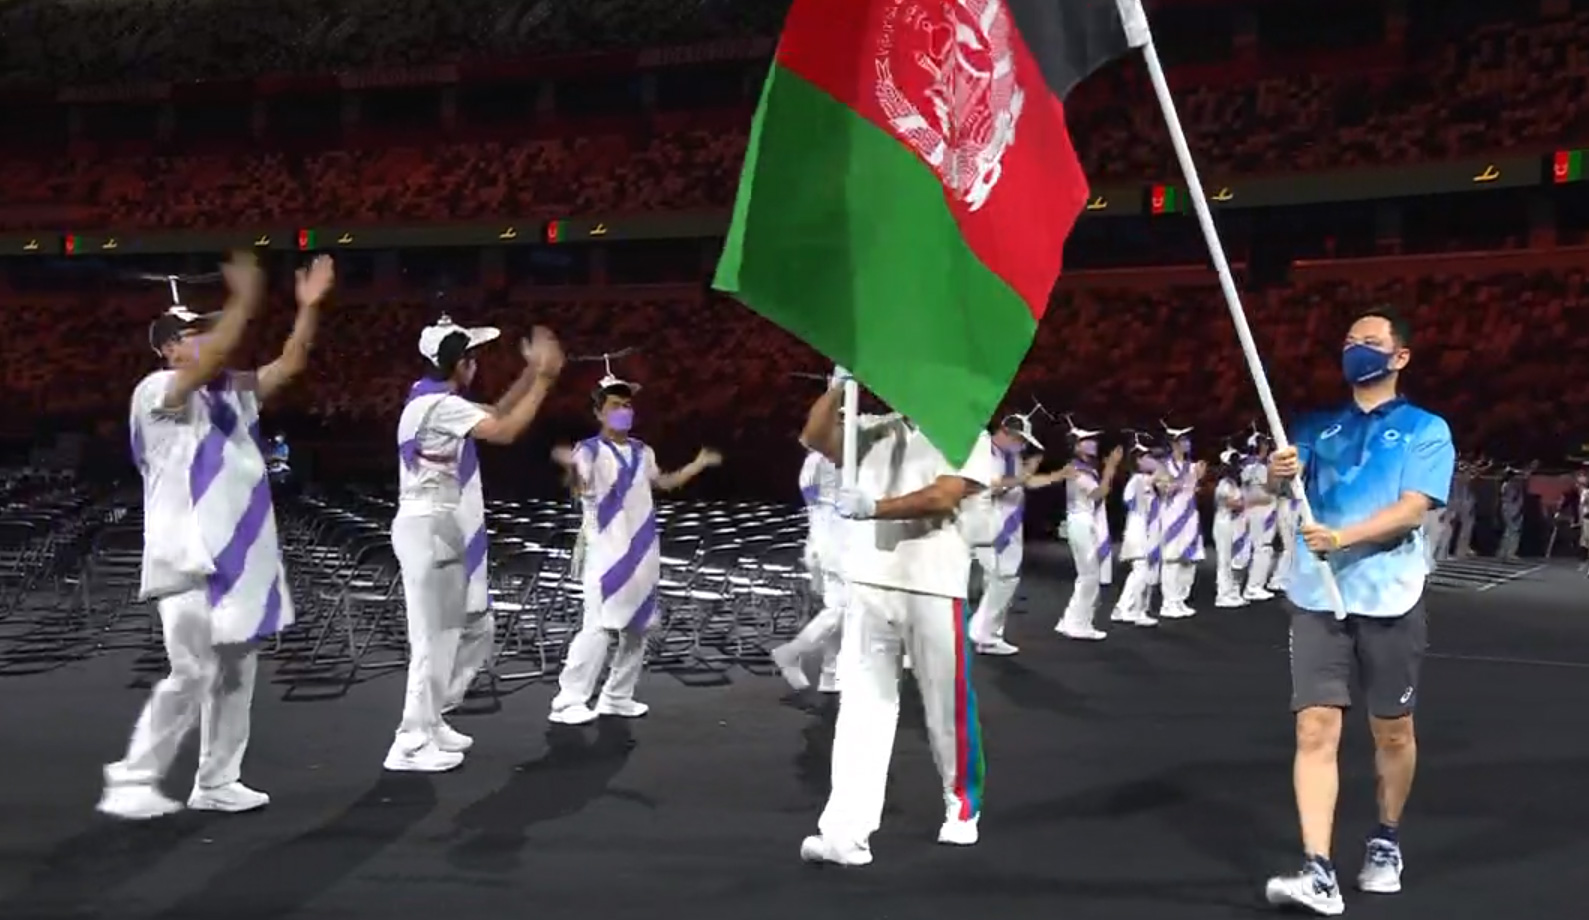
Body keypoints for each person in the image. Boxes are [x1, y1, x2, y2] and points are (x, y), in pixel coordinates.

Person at [100, 252, 333, 820]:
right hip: (187, 557)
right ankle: (133, 777)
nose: (207, 339)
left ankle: (217, 781)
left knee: (234, 676)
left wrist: (307, 308)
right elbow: (208, 365)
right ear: (167, 348)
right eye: (194, 333)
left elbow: (290, 363)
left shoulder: (231, 394)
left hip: (238, 559)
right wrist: (244, 302)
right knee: (192, 672)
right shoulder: (156, 390)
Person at [1262, 307, 1455, 916]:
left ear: (1400, 356)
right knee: (1314, 727)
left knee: (1391, 730)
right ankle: (1318, 869)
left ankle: (1386, 837)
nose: (1356, 350)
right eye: (1349, 340)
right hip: (1318, 595)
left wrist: (1343, 538)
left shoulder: (1426, 430)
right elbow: (1284, 486)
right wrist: (1276, 473)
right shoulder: (1316, 426)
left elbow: (1413, 508)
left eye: (1370, 341)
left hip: (1390, 595)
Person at [795, 382, 999, 867]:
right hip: (870, 581)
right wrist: (837, 386)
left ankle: (961, 806)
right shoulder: (872, 429)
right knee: (861, 709)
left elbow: (944, 496)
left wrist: (875, 508)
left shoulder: (966, 432)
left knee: (947, 706)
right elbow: (815, 436)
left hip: (935, 583)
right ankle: (846, 834)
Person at [386, 318, 564, 772]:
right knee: (432, 639)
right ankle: (410, 742)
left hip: (435, 522)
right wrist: (544, 380)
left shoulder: (430, 398)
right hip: (427, 524)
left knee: (453, 632)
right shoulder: (440, 405)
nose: (476, 366)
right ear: (460, 363)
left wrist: (530, 373)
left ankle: (430, 721)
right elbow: (505, 430)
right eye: (472, 358)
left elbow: (496, 412)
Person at [548, 376, 722, 725]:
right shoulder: (589, 450)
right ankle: (568, 701)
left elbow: (664, 482)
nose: (624, 411)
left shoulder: (644, 451)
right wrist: (570, 467)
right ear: (599, 412)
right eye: (615, 405)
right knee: (597, 627)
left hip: (642, 551)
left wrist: (698, 464)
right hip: (606, 552)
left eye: (627, 405)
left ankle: (617, 696)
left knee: (637, 628)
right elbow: (579, 487)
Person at [965, 412, 1066, 655]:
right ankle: (980, 633)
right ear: (1008, 433)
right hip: (988, 522)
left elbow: (1025, 483)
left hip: (1010, 523)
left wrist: (1055, 476)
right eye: (1020, 440)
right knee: (997, 577)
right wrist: (1023, 475)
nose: (1022, 446)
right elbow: (993, 485)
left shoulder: (1011, 456)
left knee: (1006, 578)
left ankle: (988, 634)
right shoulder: (982, 451)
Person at [772, 440, 844, 692]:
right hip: (829, 545)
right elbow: (816, 504)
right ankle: (791, 652)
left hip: (833, 543)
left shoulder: (834, 461)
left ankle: (830, 676)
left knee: (837, 610)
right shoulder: (817, 462)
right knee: (842, 609)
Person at [1055, 423, 1122, 641]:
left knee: (1087, 575)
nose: (1093, 444)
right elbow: (1098, 494)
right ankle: (1078, 624)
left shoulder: (1085, 468)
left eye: (1093, 440)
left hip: (1084, 520)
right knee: (1089, 575)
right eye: (1087, 440)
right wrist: (1110, 468)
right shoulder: (1076, 469)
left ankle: (1070, 620)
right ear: (1076, 446)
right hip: (1081, 521)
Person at [1108, 435, 1161, 627]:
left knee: (1142, 572)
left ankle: (1128, 608)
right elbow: (1130, 501)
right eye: (1148, 457)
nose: (1154, 461)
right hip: (1138, 531)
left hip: (1149, 531)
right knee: (1141, 571)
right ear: (1138, 460)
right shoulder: (1137, 480)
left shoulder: (1148, 482)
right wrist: (1153, 478)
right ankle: (1131, 609)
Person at [1155, 424, 1205, 620]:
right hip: (1171, 516)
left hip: (1190, 515)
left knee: (1189, 559)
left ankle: (1180, 599)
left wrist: (1197, 478)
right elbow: (1164, 490)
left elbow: (1195, 490)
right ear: (1174, 443)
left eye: (1188, 439)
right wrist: (1185, 479)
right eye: (1184, 439)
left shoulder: (1193, 466)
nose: (1188, 443)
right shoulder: (1163, 466)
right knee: (1172, 559)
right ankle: (1168, 603)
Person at [1212, 447, 1250, 608]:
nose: (1239, 466)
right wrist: (1248, 501)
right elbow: (1232, 503)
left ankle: (1234, 592)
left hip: (1237, 524)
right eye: (1236, 462)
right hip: (1224, 523)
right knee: (1225, 561)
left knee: (1239, 559)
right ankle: (1223, 595)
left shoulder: (1237, 484)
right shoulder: (1224, 484)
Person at [1242, 434, 1279, 601]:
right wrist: (1274, 470)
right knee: (1262, 548)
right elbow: (1272, 488)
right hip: (1261, 511)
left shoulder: (1247, 465)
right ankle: (1253, 587)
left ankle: (1256, 585)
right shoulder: (1258, 467)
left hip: (1259, 510)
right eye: (1264, 443)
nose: (1267, 446)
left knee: (1263, 548)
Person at [1495, 462, 1532, 561]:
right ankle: (1508, 552)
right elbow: (1512, 500)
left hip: (1511, 509)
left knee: (1509, 531)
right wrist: (1515, 513)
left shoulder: (1510, 485)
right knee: (1513, 531)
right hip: (1511, 510)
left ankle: (1504, 551)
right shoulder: (1511, 486)